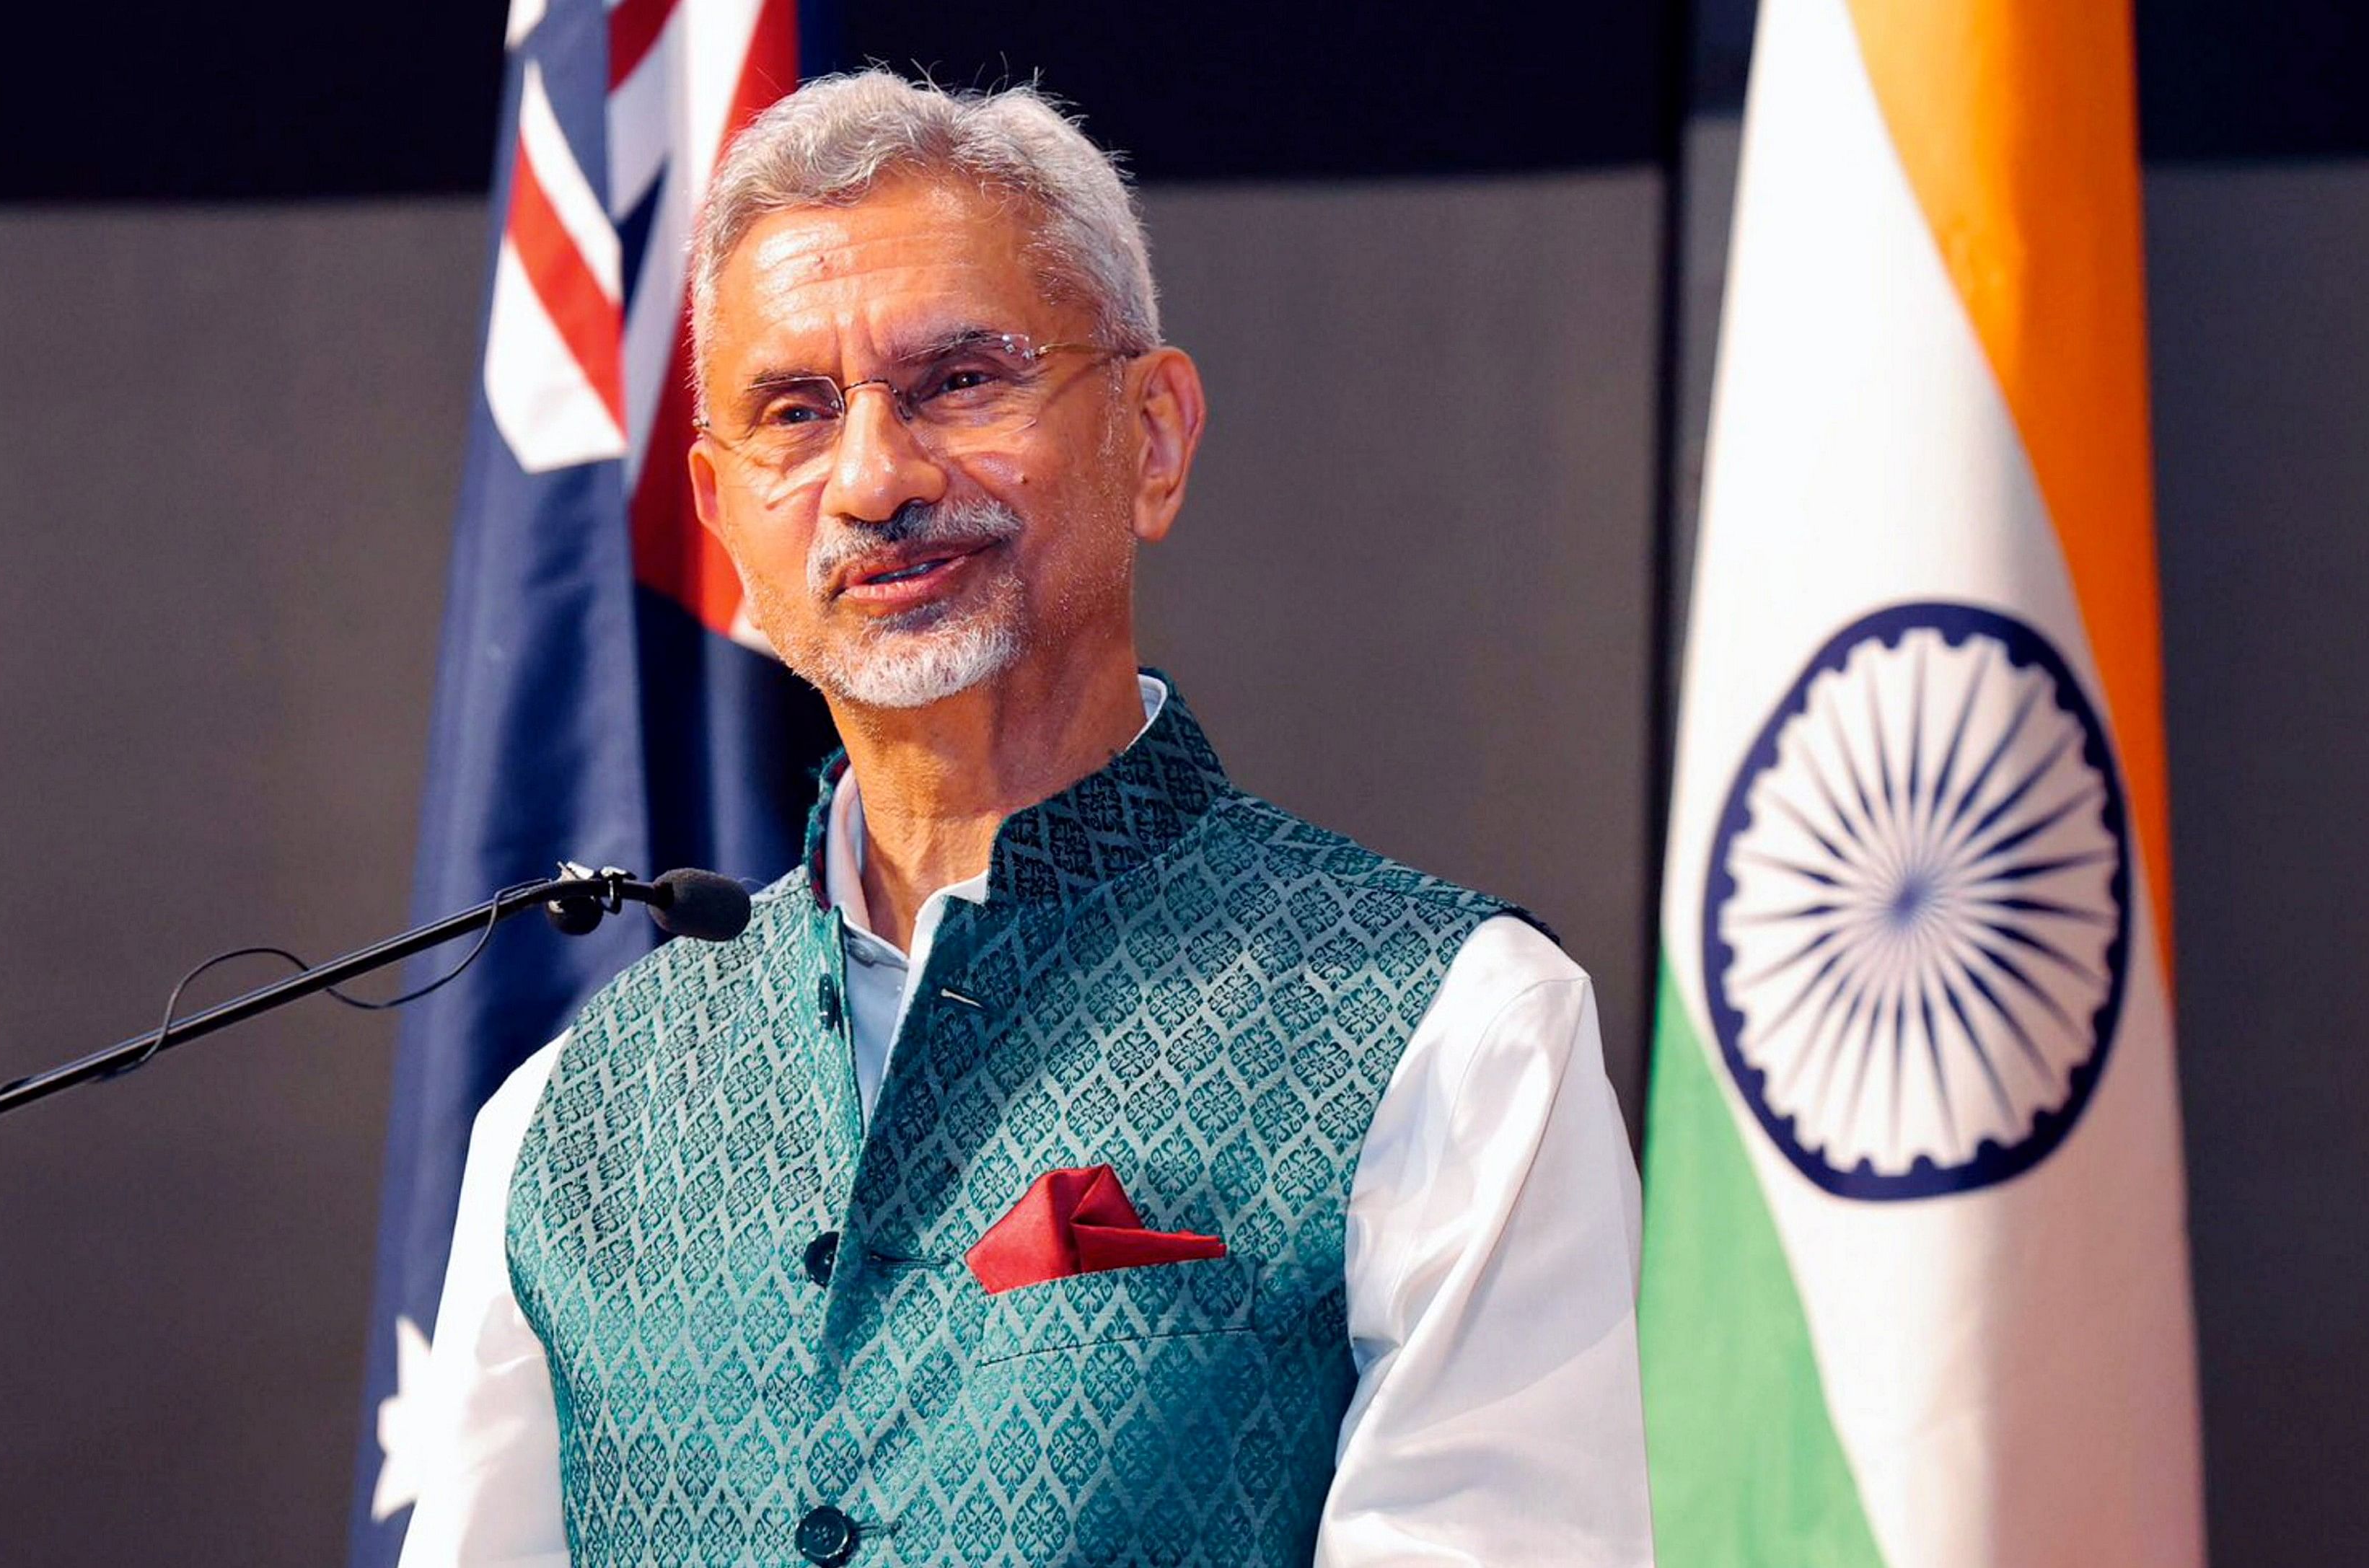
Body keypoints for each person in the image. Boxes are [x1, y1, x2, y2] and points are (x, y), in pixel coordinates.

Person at [397, 71, 1652, 1568]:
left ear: (1155, 437)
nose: (876, 476)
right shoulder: (558, 1121)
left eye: (961, 381)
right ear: (725, 519)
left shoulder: (1457, 1030)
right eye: (796, 412)